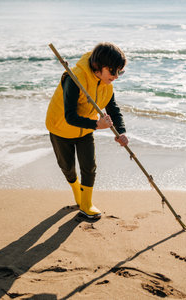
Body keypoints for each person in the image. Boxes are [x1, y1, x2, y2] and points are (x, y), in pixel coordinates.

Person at [46, 42, 128, 219]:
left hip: (85, 130)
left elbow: (112, 108)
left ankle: (86, 204)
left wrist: (121, 132)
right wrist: (98, 125)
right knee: (67, 167)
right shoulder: (74, 79)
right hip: (61, 128)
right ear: (98, 68)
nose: (116, 77)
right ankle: (77, 189)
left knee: (89, 166)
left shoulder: (107, 84)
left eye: (119, 72)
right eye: (112, 72)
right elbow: (70, 116)